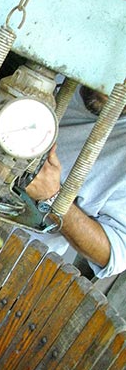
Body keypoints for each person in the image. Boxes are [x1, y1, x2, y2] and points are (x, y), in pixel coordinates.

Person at [25, 83, 126, 279]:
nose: (119, 86)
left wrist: (52, 197)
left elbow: (114, 253)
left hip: (8, 257)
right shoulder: (62, 71)